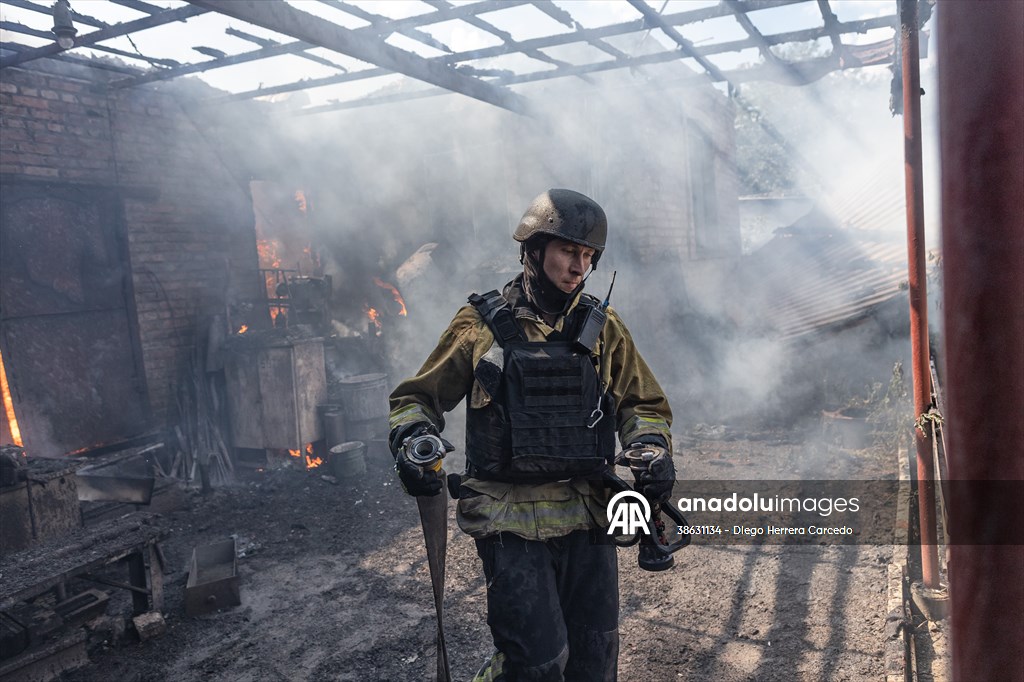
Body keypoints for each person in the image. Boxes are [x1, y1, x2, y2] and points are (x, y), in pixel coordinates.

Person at [388, 189, 675, 681]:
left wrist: (650, 445)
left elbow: (642, 404)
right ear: (534, 249)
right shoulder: (480, 326)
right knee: (537, 665)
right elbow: (417, 398)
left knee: (594, 658)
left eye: (588, 256)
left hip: (588, 511)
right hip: (509, 516)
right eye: (568, 251)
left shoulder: (603, 328)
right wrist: (414, 439)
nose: (578, 267)